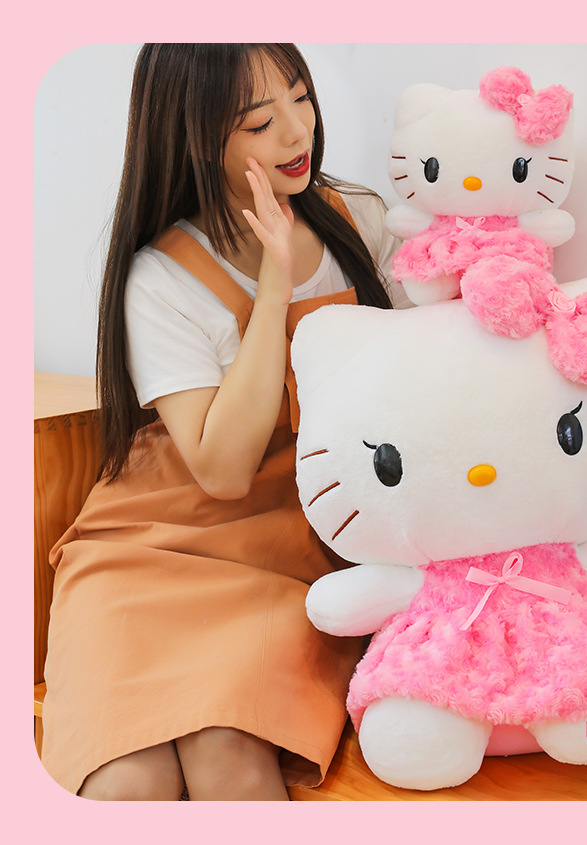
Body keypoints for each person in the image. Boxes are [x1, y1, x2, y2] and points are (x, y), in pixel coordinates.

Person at [42, 43, 405, 801]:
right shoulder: (161, 276)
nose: (297, 132)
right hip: (150, 552)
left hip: (291, 555)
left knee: (228, 756)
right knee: (126, 782)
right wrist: (273, 285)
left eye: (301, 98)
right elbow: (223, 469)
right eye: (260, 122)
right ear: (197, 137)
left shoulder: (361, 220)